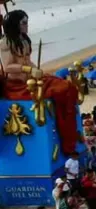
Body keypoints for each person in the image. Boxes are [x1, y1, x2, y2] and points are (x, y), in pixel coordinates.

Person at [1, 10, 81, 155]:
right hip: (17, 84)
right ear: (15, 24)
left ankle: (68, 132)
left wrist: (36, 70)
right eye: (23, 23)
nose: (27, 26)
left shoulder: (24, 40)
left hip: (31, 79)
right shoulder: (5, 43)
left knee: (67, 86)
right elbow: (7, 67)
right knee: (60, 89)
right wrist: (28, 69)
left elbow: (27, 60)